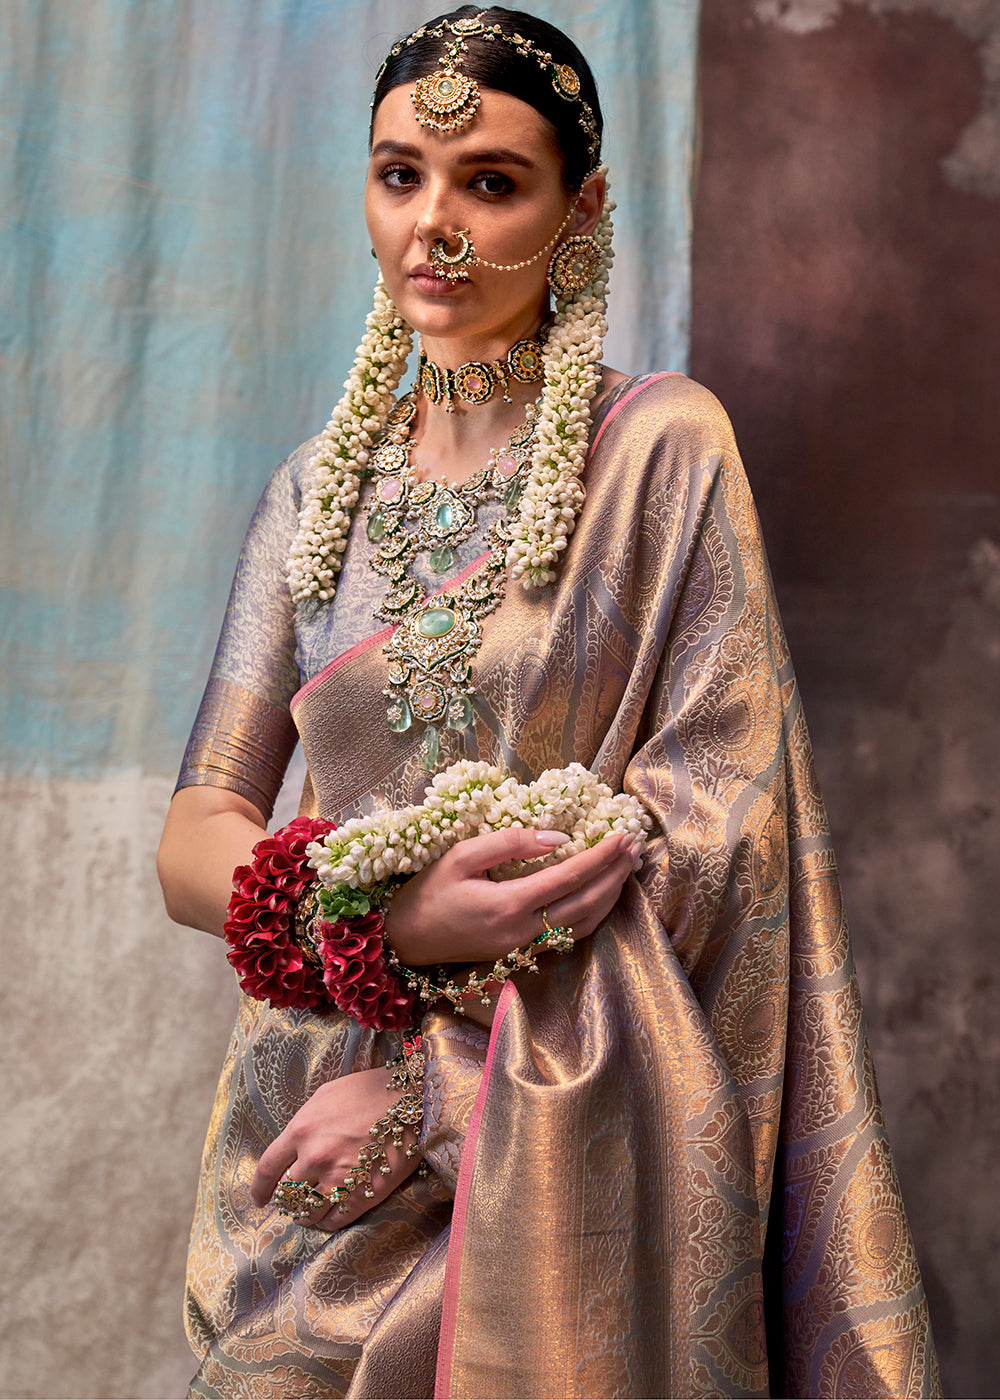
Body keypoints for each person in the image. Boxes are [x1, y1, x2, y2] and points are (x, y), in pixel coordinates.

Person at [157, 8, 940, 1397]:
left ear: (581, 210)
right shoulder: (310, 498)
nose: (434, 225)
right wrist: (378, 917)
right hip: (313, 1126)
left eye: (491, 183)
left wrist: (436, 1090)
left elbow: (711, 835)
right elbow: (195, 833)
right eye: (400, 175)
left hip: (553, 1119)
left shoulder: (660, 453)